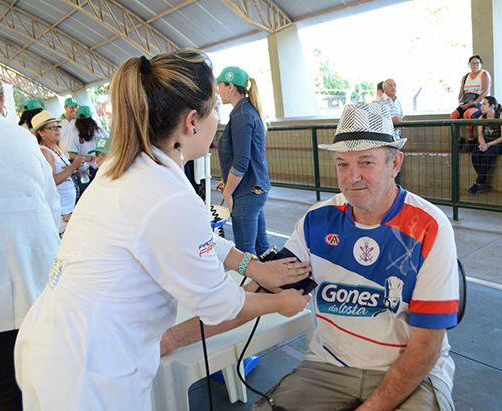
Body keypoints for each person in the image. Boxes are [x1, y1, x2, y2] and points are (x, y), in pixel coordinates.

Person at [14, 49, 311, 411]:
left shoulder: (126, 168)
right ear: (191, 122)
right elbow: (221, 305)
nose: (218, 118)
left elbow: (195, 238)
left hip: (57, 343)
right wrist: (282, 302)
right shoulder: (165, 194)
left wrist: (251, 265)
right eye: (214, 108)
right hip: (88, 371)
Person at [162, 103, 459, 411]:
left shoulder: (429, 227)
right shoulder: (317, 222)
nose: (352, 176)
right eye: (342, 164)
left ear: (395, 163)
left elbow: (426, 348)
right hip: (331, 366)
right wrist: (171, 339)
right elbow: (253, 297)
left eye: (366, 162)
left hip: (413, 374)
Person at [0, 64, 61, 411]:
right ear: (2, 101)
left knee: (4, 390)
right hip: (34, 279)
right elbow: (50, 208)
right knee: (34, 389)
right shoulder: (22, 139)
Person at [216, 66, 271, 256]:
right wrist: (226, 181)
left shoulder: (241, 115)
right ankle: (276, 283)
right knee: (262, 249)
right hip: (254, 191)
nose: (218, 90)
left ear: (230, 86)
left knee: (245, 255)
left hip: (246, 193)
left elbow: (241, 163)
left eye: (220, 85)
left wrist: (228, 192)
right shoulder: (247, 111)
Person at [32, 110, 85, 234]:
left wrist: (74, 171)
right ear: (41, 133)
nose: (57, 130)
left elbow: (62, 173)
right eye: (52, 128)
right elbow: (51, 181)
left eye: (58, 127)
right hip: (61, 213)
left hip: (67, 210)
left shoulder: (56, 148)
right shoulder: (44, 151)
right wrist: (72, 167)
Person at [468, 96, 502, 194]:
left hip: (499, 143)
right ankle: (483, 181)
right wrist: (483, 144)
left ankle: (478, 183)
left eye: (484, 104)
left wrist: (488, 145)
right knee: (475, 155)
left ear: (492, 106)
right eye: (482, 104)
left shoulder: (501, 117)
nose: (481, 107)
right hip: (486, 143)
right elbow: (480, 135)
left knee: (487, 155)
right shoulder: (482, 117)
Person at [67, 105, 110, 185]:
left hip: (85, 169)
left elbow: (72, 155)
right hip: (95, 167)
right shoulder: (101, 131)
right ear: (91, 116)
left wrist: (90, 159)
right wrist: (93, 159)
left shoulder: (74, 134)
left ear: (77, 118)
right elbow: (110, 147)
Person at [451, 55, 491, 121]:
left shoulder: (484, 74)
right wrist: (460, 103)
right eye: (472, 63)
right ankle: (455, 131)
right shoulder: (465, 77)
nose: (474, 65)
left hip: (478, 102)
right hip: (466, 101)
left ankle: (470, 131)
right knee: (454, 115)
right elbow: (461, 92)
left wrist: (474, 103)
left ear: (481, 64)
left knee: (467, 114)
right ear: (469, 65)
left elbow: (485, 91)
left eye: (477, 63)